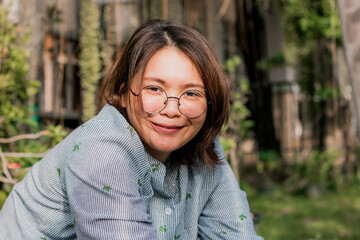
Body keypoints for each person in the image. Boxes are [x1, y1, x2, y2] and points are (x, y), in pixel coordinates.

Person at [0, 19, 263, 240]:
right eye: (154, 89)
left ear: (209, 102)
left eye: (191, 93)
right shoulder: (101, 153)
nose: (172, 109)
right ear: (124, 94)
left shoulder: (204, 147)